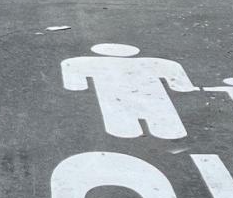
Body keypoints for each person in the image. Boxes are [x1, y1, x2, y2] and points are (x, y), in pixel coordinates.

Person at [61, 44, 197, 139]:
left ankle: (127, 130)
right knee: (168, 128)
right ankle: (167, 131)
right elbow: (181, 86)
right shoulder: (157, 62)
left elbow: (75, 85)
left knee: (121, 126)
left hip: (112, 99)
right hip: (156, 101)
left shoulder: (81, 62)